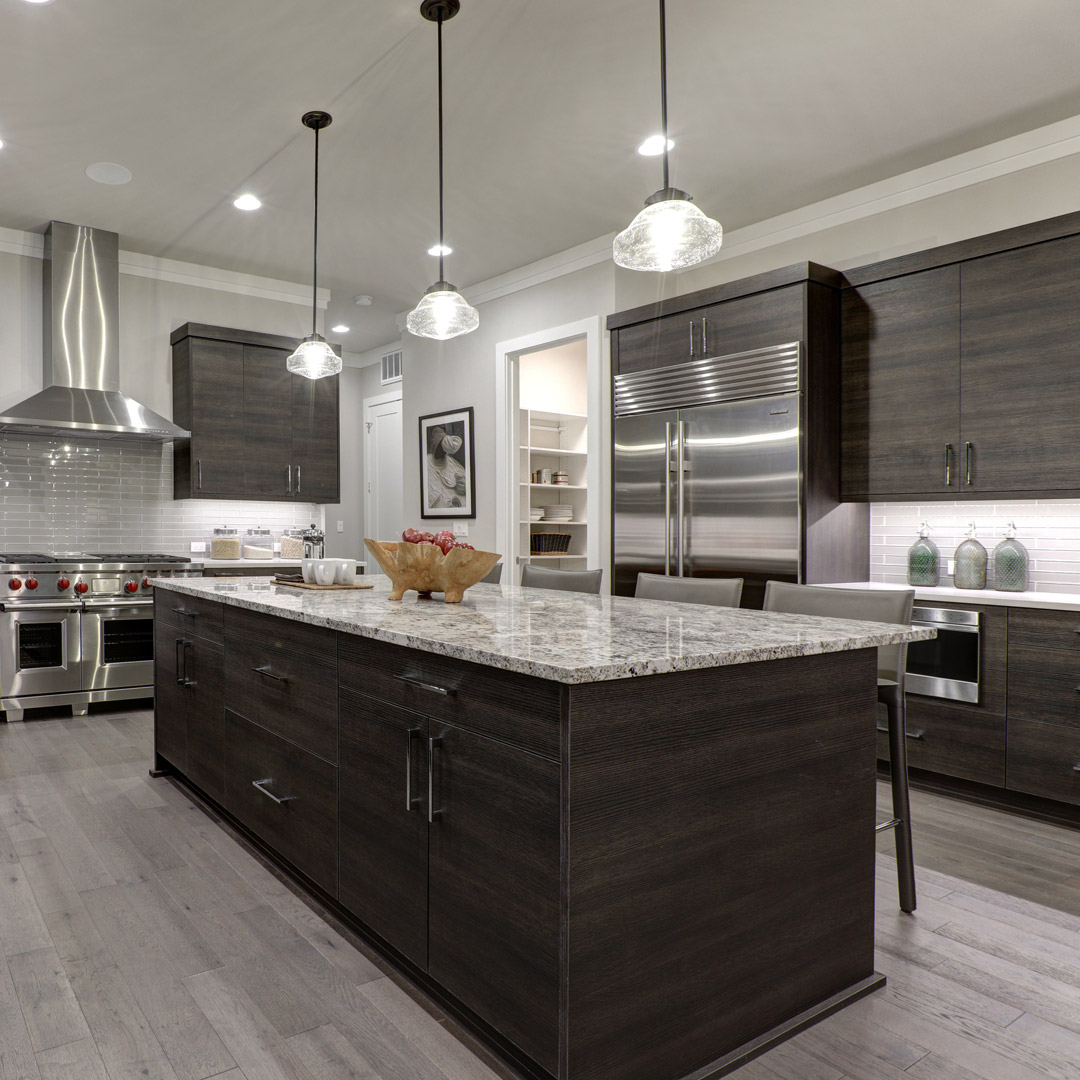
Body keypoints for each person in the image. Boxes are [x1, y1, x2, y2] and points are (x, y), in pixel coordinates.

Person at [426, 424, 467, 509]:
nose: (442, 452)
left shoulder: (453, 464)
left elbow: (465, 490)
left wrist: (462, 484)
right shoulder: (427, 462)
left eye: (443, 450)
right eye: (439, 448)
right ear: (434, 446)